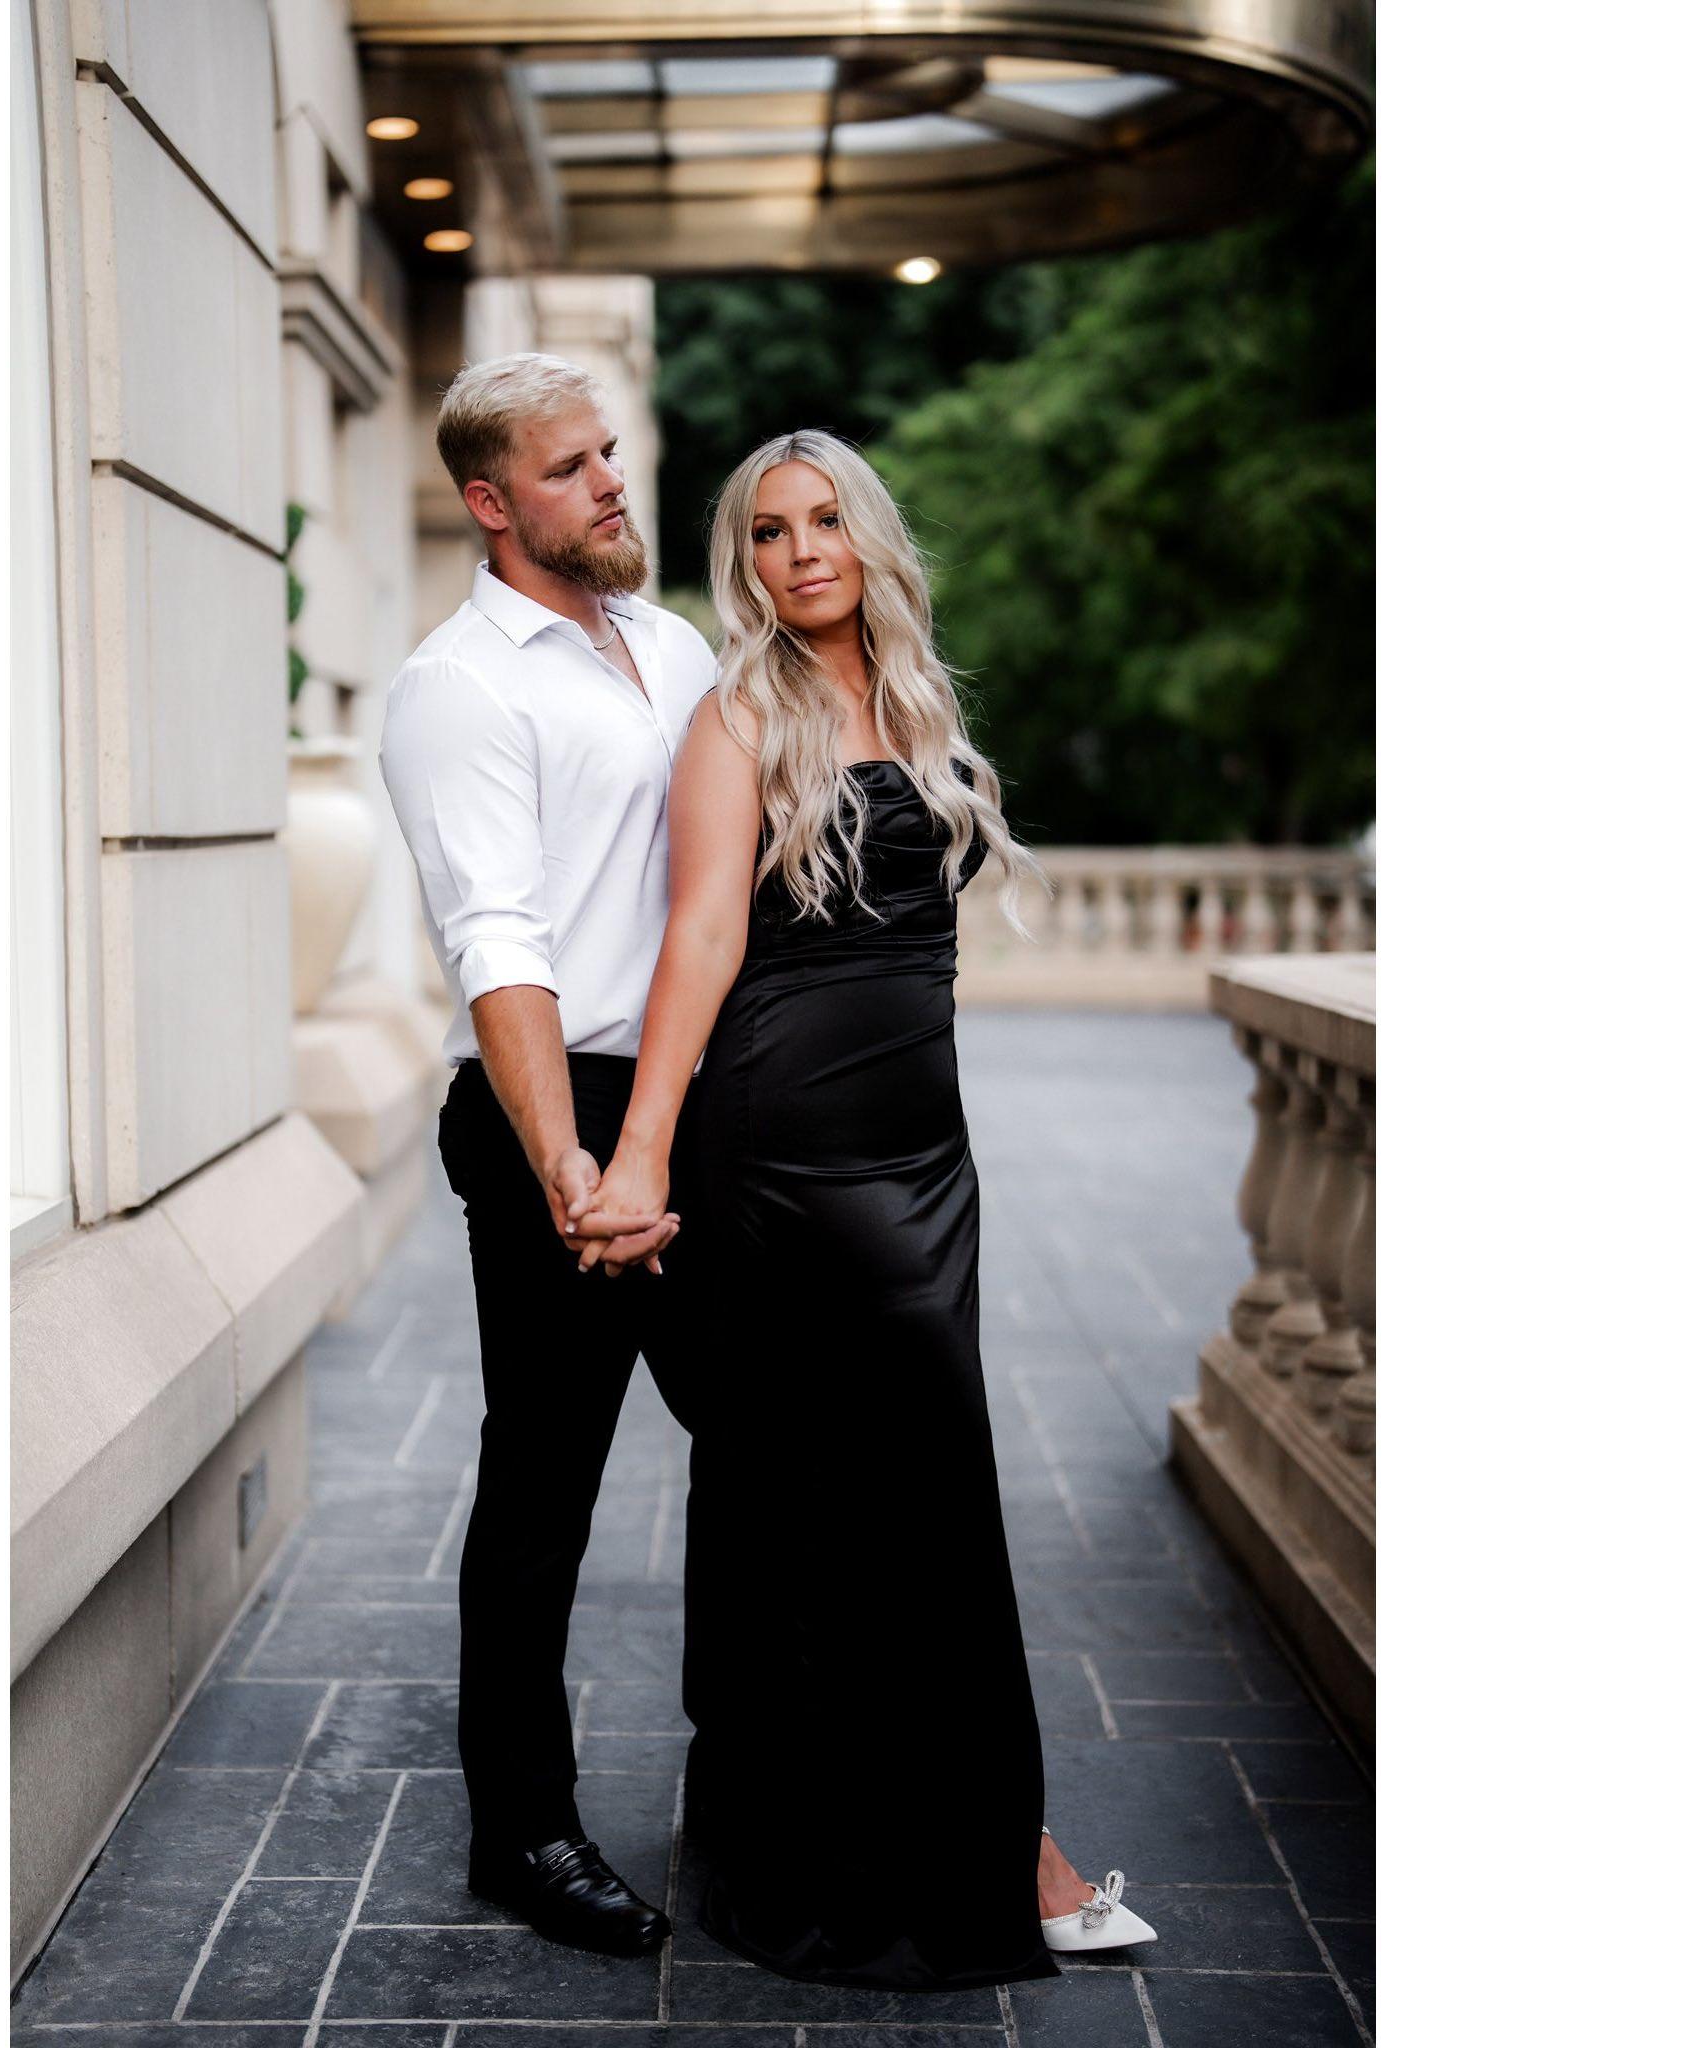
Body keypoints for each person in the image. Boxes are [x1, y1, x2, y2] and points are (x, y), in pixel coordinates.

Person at [568, 429, 1158, 1987]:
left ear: (869, 536)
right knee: (896, 1499)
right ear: (745, 564)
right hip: (793, 1155)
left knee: (865, 1496)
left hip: (925, 1154)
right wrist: (642, 1155)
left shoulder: (919, 701)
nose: (802, 551)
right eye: (768, 532)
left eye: (826, 519)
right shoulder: (739, 717)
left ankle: (859, 1830)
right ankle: (1004, 1851)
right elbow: (701, 938)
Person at [377, 353, 717, 1958]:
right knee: (547, 1481)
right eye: (570, 467)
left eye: (610, 455)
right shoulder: (459, 687)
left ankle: (762, 1775)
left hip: (700, 1103)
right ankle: (522, 1831)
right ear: (491, 502)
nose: (610, 483)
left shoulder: (674, 644)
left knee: (771, 1440)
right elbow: (496, 936)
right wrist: (567, 1165)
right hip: (550, 1108)